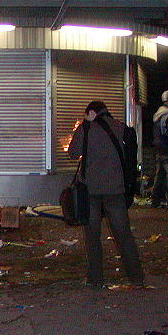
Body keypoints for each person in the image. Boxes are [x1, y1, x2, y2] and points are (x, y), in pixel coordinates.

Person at [68, 100, 145, 289]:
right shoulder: (121, 128)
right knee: (123, 235)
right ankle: (136, 278)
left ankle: (96, 280)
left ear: (90, 112)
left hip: (91, 192)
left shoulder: (86, 129)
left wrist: (85, 125)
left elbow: (72, 153)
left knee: (93, 236)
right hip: (116, 190)